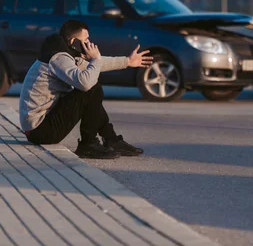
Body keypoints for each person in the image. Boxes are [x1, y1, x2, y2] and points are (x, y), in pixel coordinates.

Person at [19, 19, 153, 159]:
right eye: (86, 40)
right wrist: (95, 59)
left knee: (91, 85)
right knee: (90, 88)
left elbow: (95, 65)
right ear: (73, 42)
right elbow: (86, 82)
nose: (89, 44)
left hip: (40, 126)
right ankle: (88, 145)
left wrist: (128, 61)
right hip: (40, 130)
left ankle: (110, 139)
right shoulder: (59, 58)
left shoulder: (63, 53)